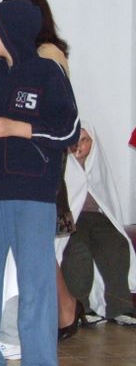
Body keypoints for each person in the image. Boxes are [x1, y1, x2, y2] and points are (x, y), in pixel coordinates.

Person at [0, 0, 79, 366]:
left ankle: (40, 360)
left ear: (11, 29)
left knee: (36, 288)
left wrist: (20, 128)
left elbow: (69, 130)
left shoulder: (47, 73)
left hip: (33, 198)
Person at [59, 121, 136, 326]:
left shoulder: (97, 165)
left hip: (97, 218)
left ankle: (120, 307)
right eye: (75, 141)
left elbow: (107, 198)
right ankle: (81, 307)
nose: (79, 146)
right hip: (72, 219)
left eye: (85, 140)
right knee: (78, 251)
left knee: (117, 244)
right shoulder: (62, 165)